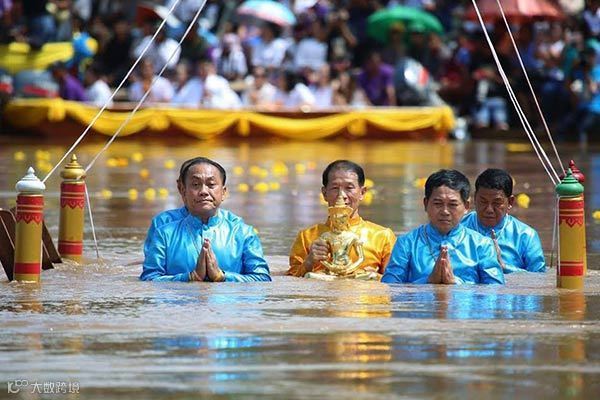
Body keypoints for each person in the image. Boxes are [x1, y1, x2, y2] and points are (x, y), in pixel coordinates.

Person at [141, 157, 271, 282]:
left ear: (223, 192)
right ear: (183, 191)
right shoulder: (164, 233)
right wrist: (190, 277)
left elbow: (262, 279)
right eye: (195, 184)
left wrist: (222, 277)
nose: (203, 191)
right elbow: (149, 279)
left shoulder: (243, 233)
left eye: (211, 184)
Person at [381, 169, 504, 285]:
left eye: (452, 205)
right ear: (425, 204)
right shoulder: (407, 243)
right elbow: (391, 287)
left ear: (466, 206)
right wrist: (428, 281)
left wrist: (455, 282)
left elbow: (494, 291)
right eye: (438, 204)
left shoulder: (482, 245)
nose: (445, 211)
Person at [288, 160, 396, 279]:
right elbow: (292, 278)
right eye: (335, 188)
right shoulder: (307, 237)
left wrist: (376, 277)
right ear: (324, 193)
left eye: (349, 188)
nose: (342, 195)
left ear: (362, 192)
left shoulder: (382, 236)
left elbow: (394, 281)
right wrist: (309, 262)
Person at [461, 168, 546, 273]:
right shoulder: (459, 228)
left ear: (510, 202)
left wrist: (504, 267)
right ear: (475, 199)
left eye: (497, 203)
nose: (489, 209)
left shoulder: (526, 236)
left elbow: (539, 277)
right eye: (483, 202)